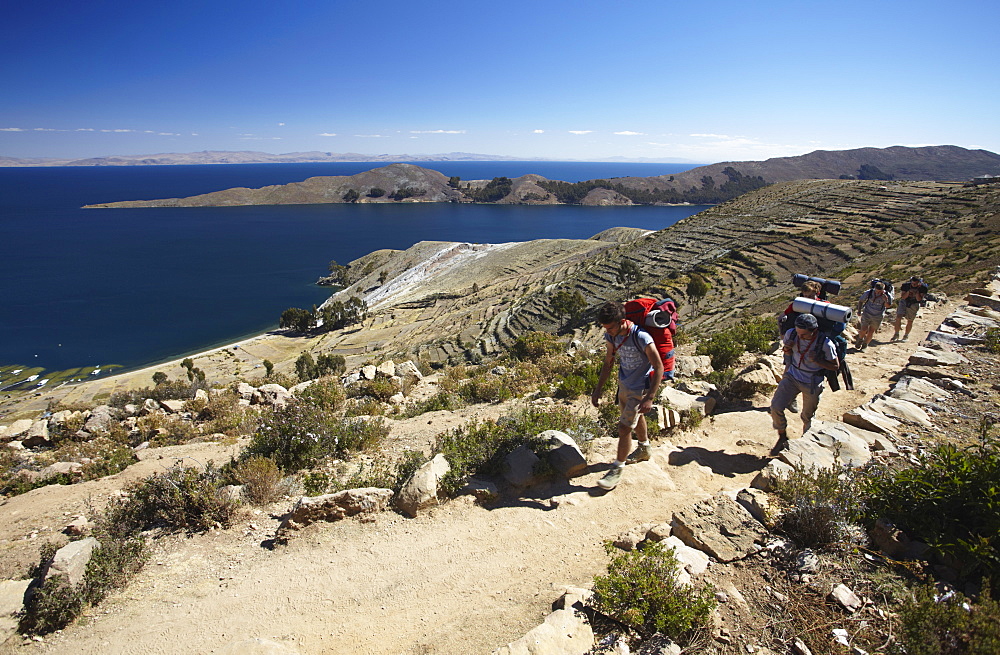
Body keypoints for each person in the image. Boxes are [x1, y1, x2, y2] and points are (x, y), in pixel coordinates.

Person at [591, 301, 665, 490]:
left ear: (622, 321)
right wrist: (598, 389)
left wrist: (650, 397)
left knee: (624, 428)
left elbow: (658, 367)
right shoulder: (611, 336)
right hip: (624, 385)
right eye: (605, 328)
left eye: (610, 327)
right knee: (634, 419)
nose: (608, 331)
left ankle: (617, 469)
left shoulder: (641, 337)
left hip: (640, 388)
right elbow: (608, 362)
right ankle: (644, 447)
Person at [769, 313, 840, 455]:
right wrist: (787, 349)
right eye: (798, 333)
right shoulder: (792, 334)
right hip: (793, 376)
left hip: (812, 381)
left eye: (804, 335)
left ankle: (804, 445)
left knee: (807, 416)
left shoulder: (825, 343)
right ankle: (782, 437)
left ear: (814, 331)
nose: (800, 337)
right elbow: (788, 354)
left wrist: (818, 361)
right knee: (776, 407)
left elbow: (835, 366)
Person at [855, 282, 893, 351]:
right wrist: (859, 310)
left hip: (878, 316)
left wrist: (885, 300)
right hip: (867, 313)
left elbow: (888, 306)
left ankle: (865, 345)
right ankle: (860, 339)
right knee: (863, 329)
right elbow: (861, 301)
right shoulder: (869, 292)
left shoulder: (887, 295)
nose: (878, 293)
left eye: (880, 291)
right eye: (877, 291)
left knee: (871, 331)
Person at [892, 275, 928, 341]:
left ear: (919, 283)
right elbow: (903, 297)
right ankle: (896, 334)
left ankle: (906, 335)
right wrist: (909, 292)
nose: (914, 285)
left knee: (910, 320)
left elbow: (919, 299)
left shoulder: (923, 288)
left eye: (915, 283)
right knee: (898, 317)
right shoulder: (906, 286)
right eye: (913, 283)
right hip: (904, 301)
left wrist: (917, 293)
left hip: (914, 303)